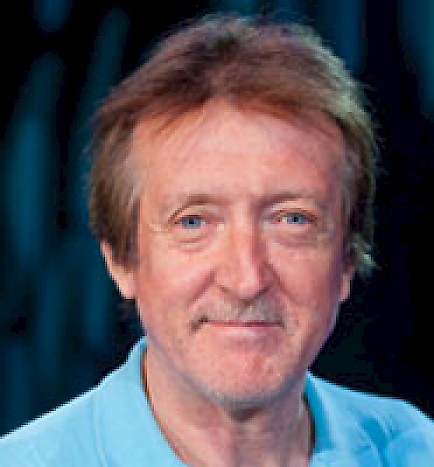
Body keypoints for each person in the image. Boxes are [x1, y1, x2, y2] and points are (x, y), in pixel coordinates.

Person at [1, 12, 433, 466]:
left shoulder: (416, 449)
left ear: (346, 259)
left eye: (292, 220)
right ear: (120, 260)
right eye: (193, 223)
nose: (246, 280)